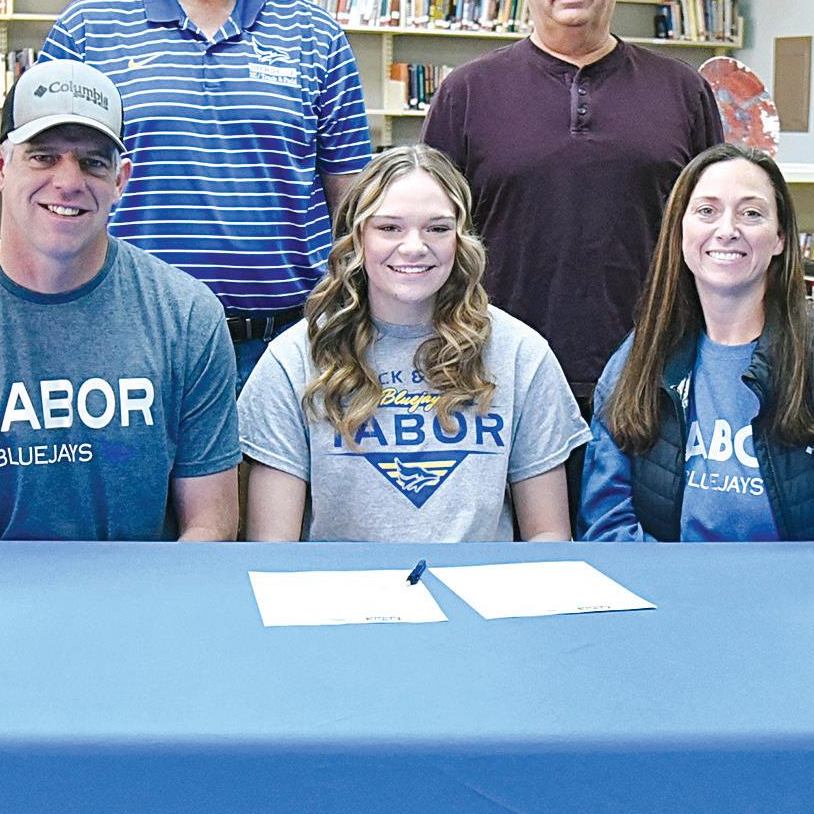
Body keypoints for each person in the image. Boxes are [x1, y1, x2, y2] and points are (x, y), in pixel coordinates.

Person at [40, 0, 374, 386]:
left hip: (283, 351)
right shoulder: (86, 31)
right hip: (125, 342)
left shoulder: (316, 36)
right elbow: (45, 193)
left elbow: (354, 209)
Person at [0, 59, 240, 541]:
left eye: (93, 162)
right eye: (43, 156)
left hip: (140, 591)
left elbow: (210, 526)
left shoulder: (189, 319)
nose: (69, 181)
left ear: (120, 180)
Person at [422, 0, 724, 412]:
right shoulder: (465, 93)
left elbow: (710, 235)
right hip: (499, 373)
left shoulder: (682, 91)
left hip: (651, 374)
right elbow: (431, 238)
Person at [581, 143, 814, 542]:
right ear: (679, 231)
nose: (727, 230)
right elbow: (607, 524)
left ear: (780, 238)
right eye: (706, 211)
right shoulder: (640, 358)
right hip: (670, 582)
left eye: (751, 213)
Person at [239, 146, 589, 542]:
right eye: (389, 228)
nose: (413, 247)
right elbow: (273, 548)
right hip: (338, 582)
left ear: (461, 239)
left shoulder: (521, 355)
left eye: (437, 229)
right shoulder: (294, 359)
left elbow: (548, 536)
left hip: (479, 581)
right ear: (357, 238)